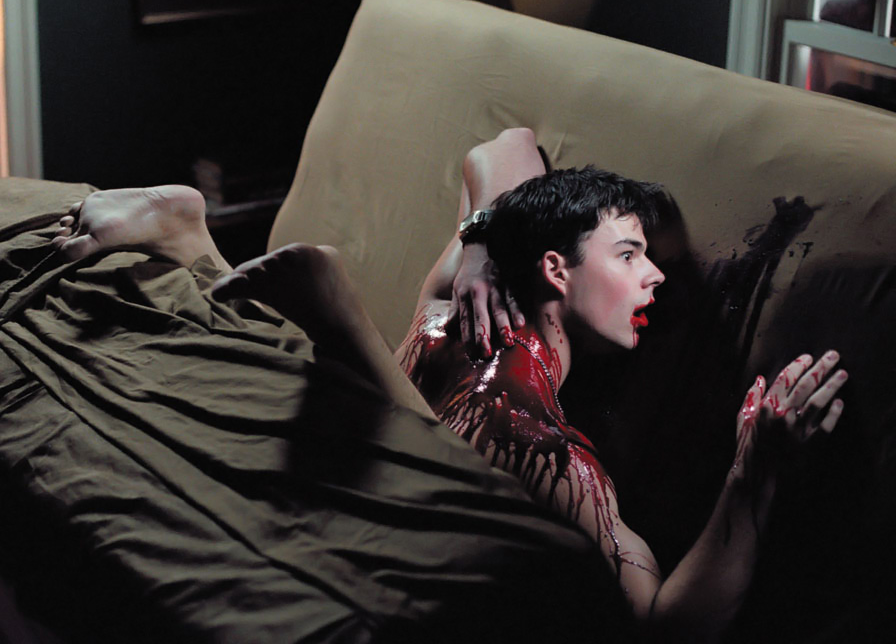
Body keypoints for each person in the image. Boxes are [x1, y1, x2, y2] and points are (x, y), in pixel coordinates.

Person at [51, 128, 847, 641]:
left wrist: (479, 242)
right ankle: (331, 317)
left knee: (303, 393)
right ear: (556, 268)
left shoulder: (454, 301)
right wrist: (753, 474)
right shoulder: (550, 452)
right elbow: (662, 627)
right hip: (399, 496)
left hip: (364, 425)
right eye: (630, 254)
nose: (656, 279)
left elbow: (508, 144)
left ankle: (196, 245)